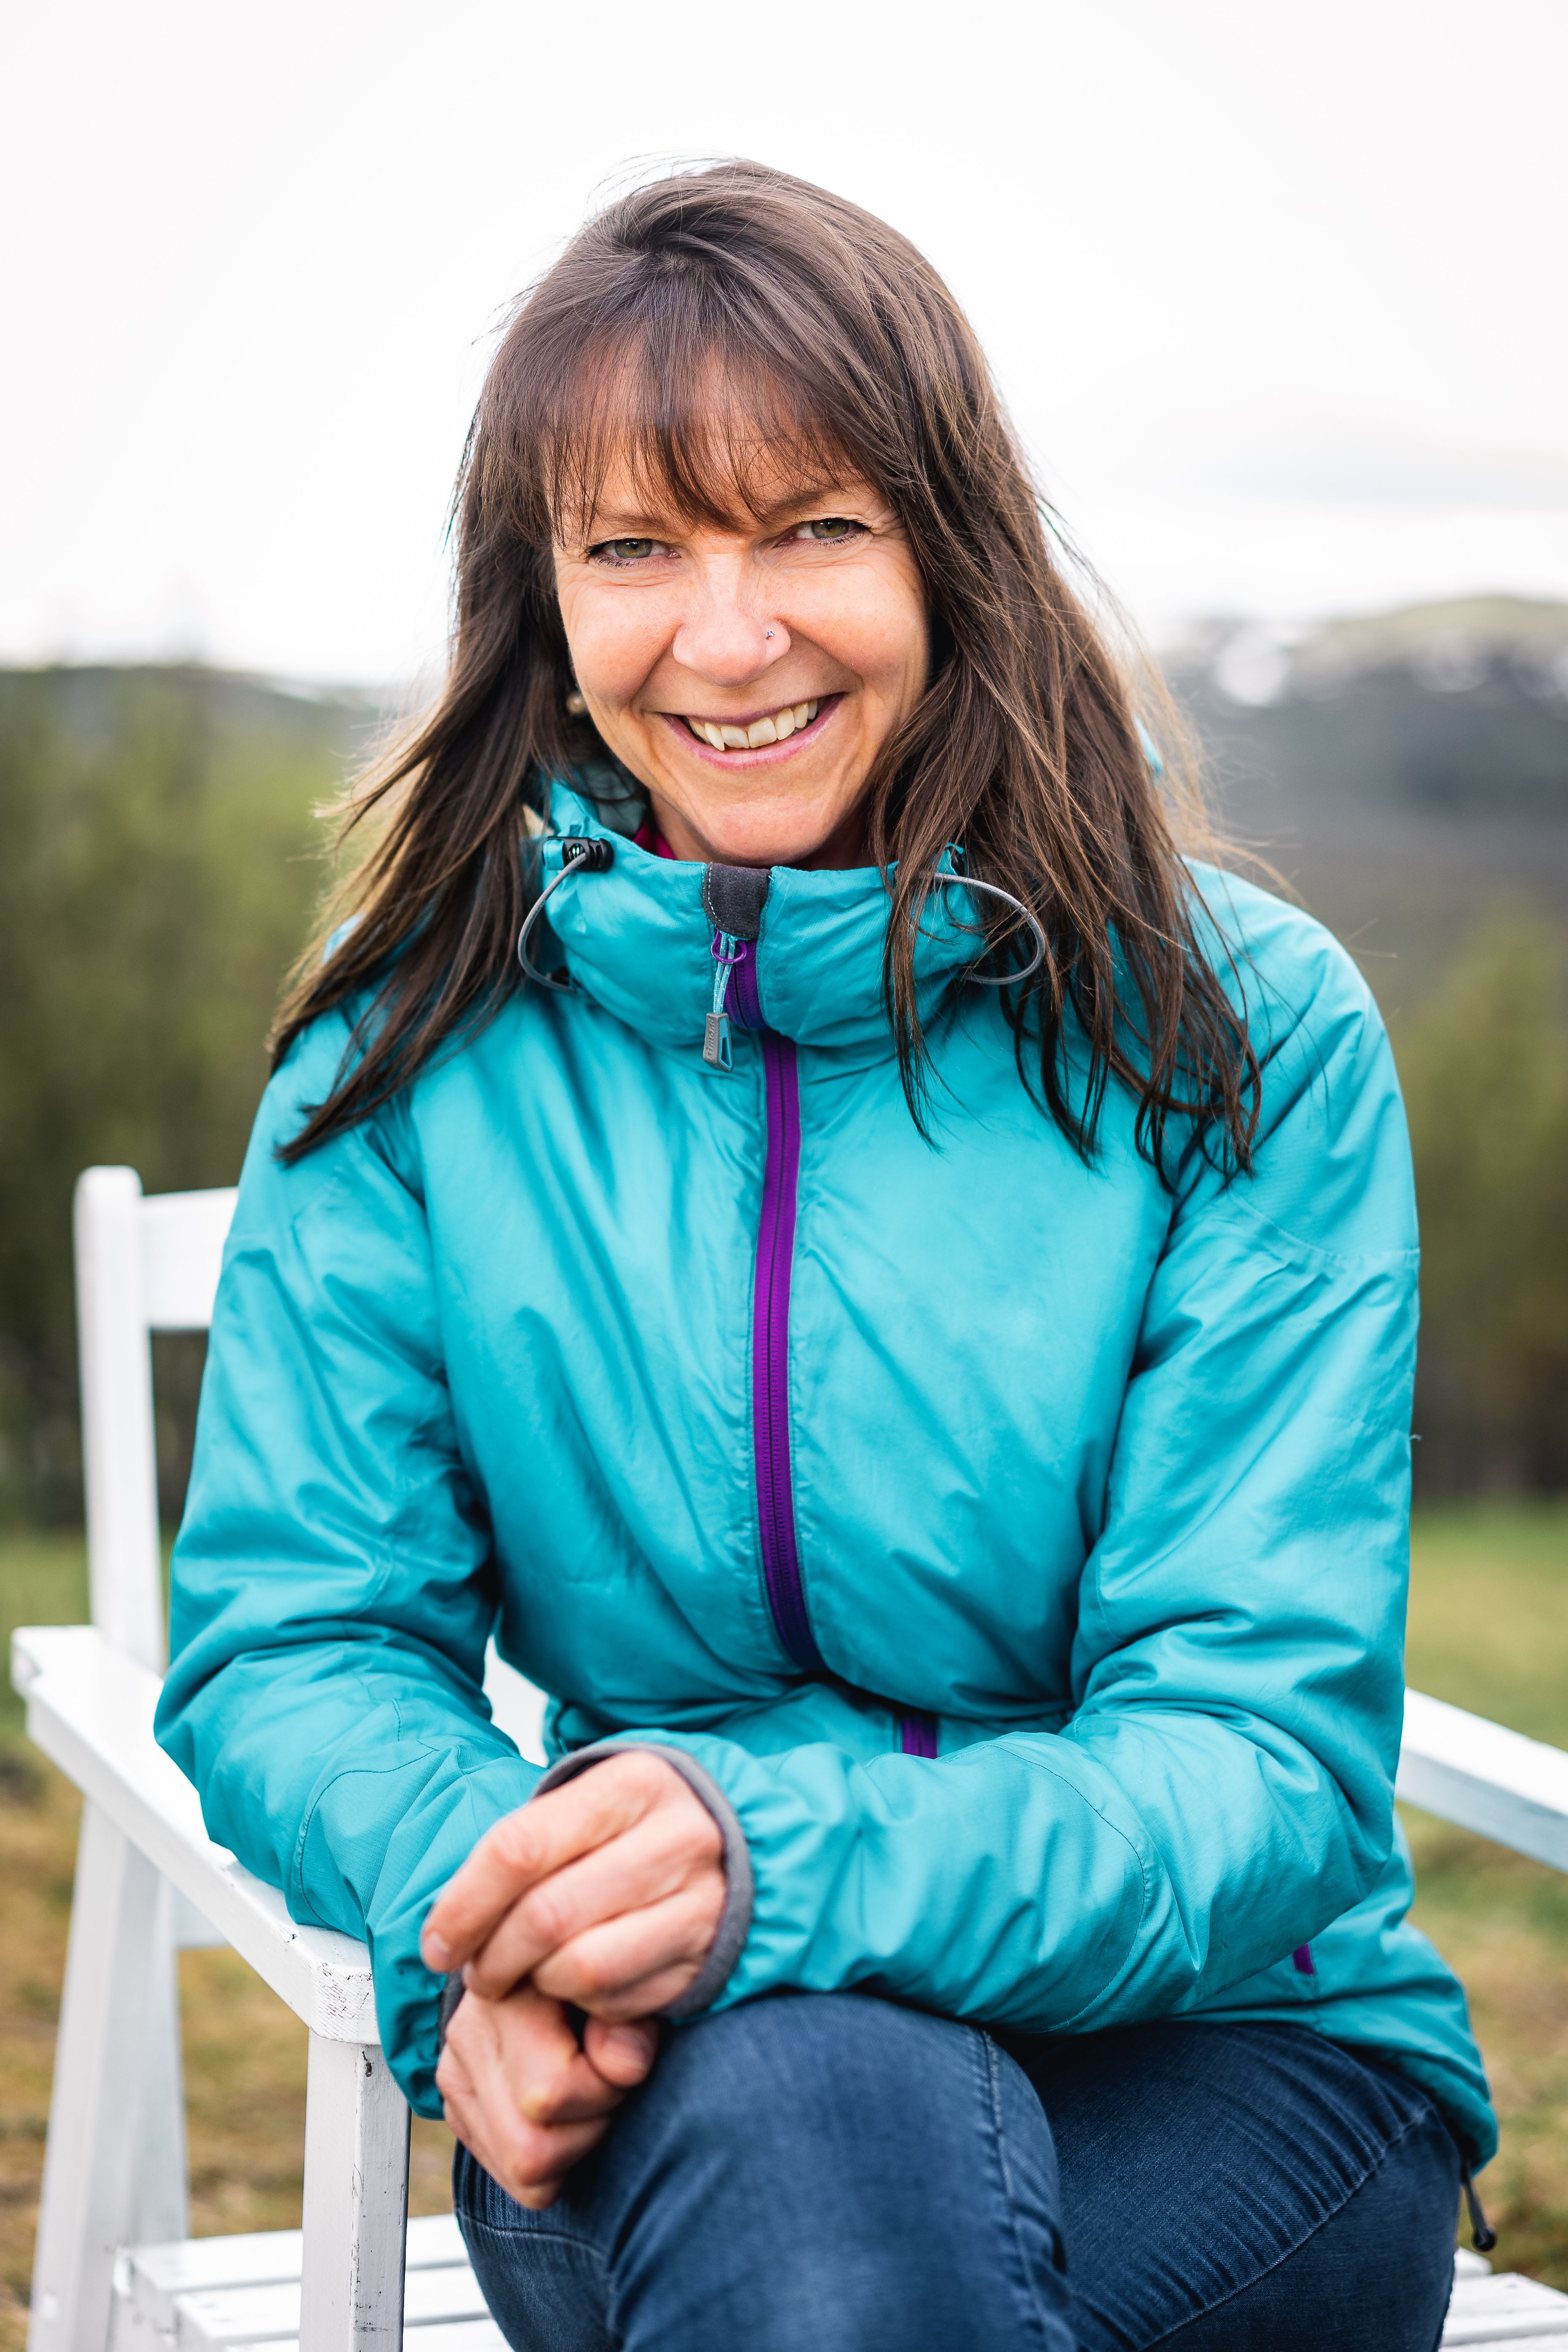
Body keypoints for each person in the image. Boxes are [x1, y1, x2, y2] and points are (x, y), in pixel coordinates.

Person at [156, 162, 1493, 2352]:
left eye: (811, 529)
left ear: (949, 553)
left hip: (1239, 2058)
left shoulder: (1238, 1035)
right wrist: (482, 1915)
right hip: (666, 2065)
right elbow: (297, 1640)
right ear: (545, 604)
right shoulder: (408, 1048)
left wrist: (763, 1863)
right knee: (814, 2121)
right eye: (636, 547)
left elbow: (1254, 1756)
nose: (727, 632)